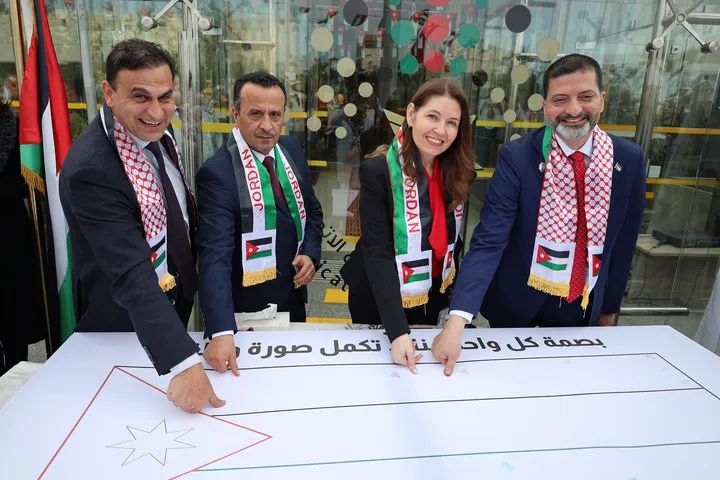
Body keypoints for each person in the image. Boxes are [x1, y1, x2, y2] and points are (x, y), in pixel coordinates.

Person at [432, 54, 646, 375]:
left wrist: (608, 311)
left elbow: (624, 242)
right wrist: (456, 321)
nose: (574, 110)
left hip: (581, 307)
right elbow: (489, 242)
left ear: (602, 99)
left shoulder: (628, 159)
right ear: (545, 106)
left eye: (585, 96)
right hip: (517, 307)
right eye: (560, 100)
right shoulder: (517, 158)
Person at [59, 39, 222, 413]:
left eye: (165, 97)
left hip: (173, 301)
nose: (156, 111)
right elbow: (131, 274)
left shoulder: (158, 133)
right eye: (140, 97)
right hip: (125, 327)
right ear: (109, 93)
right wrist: (183, 363)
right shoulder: (91, 170)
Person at [340, 78, 476, 373]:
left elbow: (455, 242)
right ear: (412, 114)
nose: (441, 131)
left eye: (452, 123)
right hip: (380, 298)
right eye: (432, 117)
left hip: (432, 295)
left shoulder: (459, 171)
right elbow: (377, 252)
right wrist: (397, 332)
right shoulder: (377, 171)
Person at [197, 72, 323, 375]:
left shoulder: (290, 150)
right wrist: (221, 331)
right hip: (246, 316)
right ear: (235, 114)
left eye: (275, 115)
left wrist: (310, 253)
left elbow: (313, 210)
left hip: (292, 300)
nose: (267, 125)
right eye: (256, 114)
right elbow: (214, 257)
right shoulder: (217, 174)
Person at [0, 101, 45, 375]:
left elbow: (26, 183)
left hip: (9, 239)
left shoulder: (14, 127)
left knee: (14, 320)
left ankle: (14, 381)